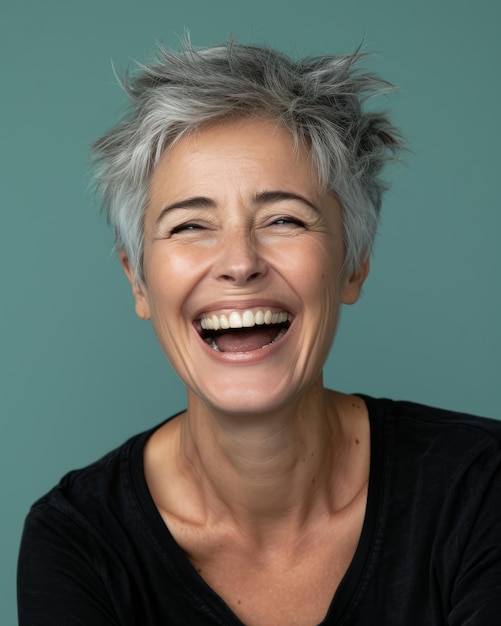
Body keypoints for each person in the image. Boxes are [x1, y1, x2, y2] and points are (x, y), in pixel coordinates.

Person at [17, 40, 501, 626]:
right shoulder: (79, 544)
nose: (239, 262)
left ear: (355, 261)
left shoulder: (481, 490)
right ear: (138, 282)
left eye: (283, 219)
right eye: (190, 225)